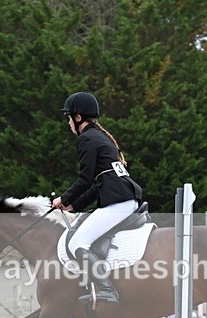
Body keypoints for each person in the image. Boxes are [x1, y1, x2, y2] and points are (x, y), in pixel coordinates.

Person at [52, 91, 143, 305]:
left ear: (78, 117)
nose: (68, 123)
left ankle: (106, 289)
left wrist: (62, 198)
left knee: (77, 243)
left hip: (119, 201)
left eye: (69, 118)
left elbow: (85, 179)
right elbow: (99, 182)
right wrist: (74, 204)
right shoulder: (100, 137)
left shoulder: (86, 139)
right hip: (125, 197)